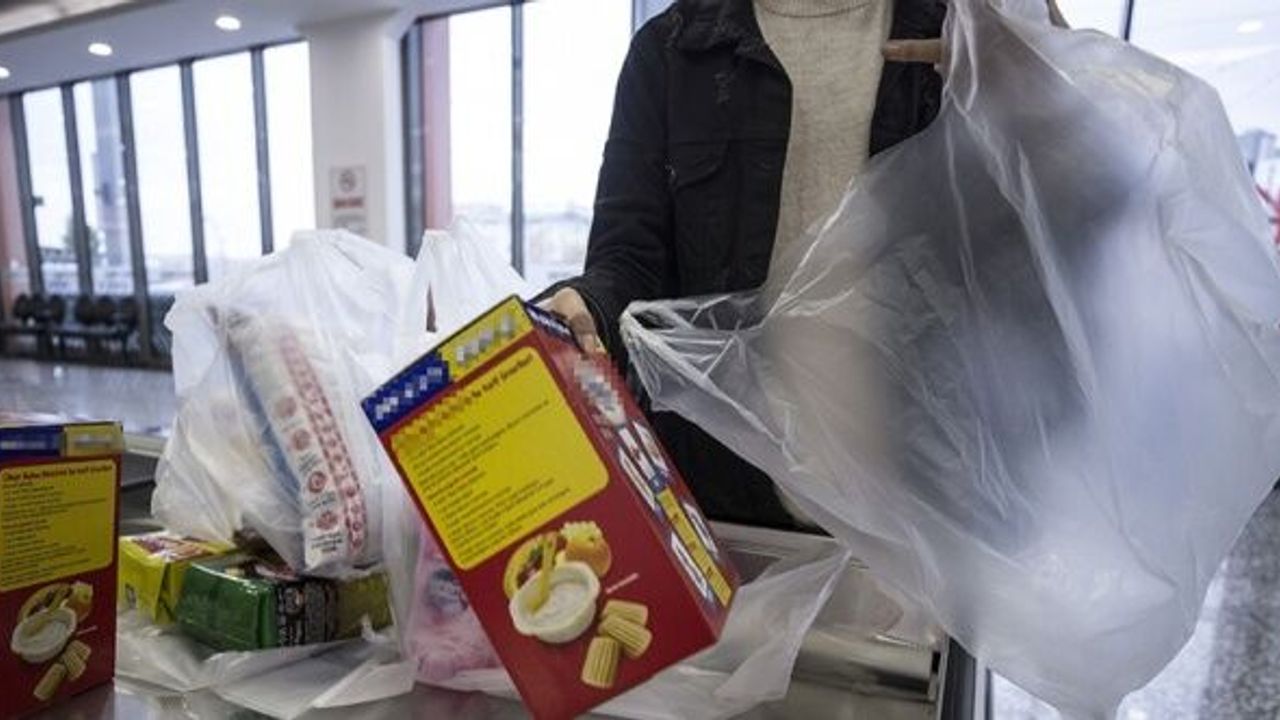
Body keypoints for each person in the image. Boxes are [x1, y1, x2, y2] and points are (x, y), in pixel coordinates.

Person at [544, 0, 1065, 529]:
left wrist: (1054, 93)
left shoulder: (967, 32)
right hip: (731, 508)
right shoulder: (675, 49)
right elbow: (628, 258)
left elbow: (1062, 252)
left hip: (935, 512)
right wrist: (585, 306)